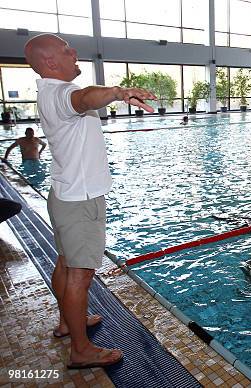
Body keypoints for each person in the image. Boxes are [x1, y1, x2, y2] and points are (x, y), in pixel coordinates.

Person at [25, 33, 156, 369]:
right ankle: (81, 350)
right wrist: (116, 92)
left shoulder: (49, 91)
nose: (75, 53)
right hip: (80, 200)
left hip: (65, 193)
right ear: (51, 62)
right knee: (79, 275)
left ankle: (69, 323)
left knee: (66, 263)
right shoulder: (63, 93)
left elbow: (81, 99)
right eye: (67, 50)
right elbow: (84, 99)